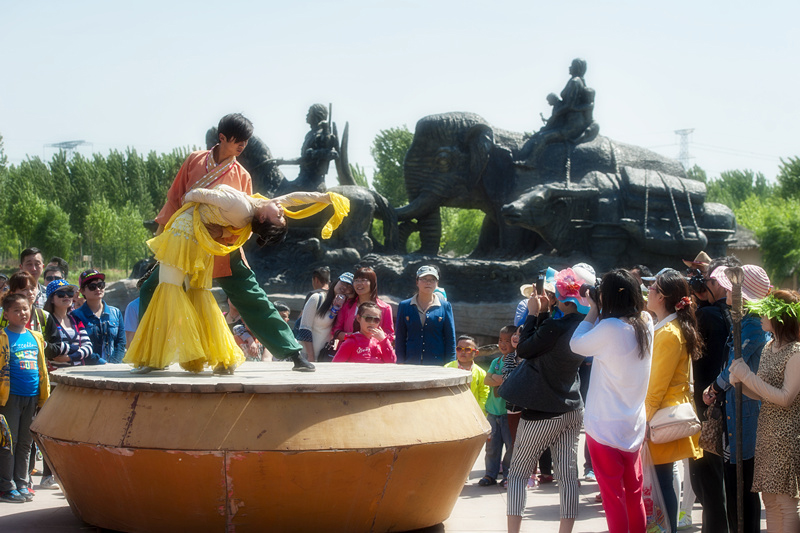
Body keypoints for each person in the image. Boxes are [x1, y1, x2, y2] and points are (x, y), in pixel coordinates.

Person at [138, 113, 334, 373]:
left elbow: (250, 221)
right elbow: (174, 200)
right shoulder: (194, 160)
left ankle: (293, 352)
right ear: (222, 138)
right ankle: (151, 356)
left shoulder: (242, 175)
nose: (243, 146)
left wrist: (221, 233)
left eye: (246, 141)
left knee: (251, 296)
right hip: (185, 240)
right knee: (151, 289)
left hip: (222, 247)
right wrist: (162, 241)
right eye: (237, 140)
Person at [127, 177, 346, 374]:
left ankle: (291, 352)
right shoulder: (202, 164)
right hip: (191, 241)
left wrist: (208, 220)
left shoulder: (243, 185)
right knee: (163, 291)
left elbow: (238, 217)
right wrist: (325, 198)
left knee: (233, 296)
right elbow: (293, 199)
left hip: (209, 245)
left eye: (280, 215)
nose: (281, 210)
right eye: (281, 215)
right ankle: (160, 355)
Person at [506, 267, 591, 533]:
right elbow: (544, 341)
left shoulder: (555, 326)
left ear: (562, 298)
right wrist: (544, 313)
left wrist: (533, 313)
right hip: (572, 406)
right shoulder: (584, 325)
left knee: (518, 474)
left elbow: (524, 349)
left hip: (542, 409)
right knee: (568, 477)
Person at [570, 269, 654, 533]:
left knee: (613, 497)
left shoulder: (608, 328)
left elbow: (576, 344)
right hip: (633, 426)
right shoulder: (646, 322)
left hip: (604, 428)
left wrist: (593, 310)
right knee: (633, 493)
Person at [703, 264, 771, 533]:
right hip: (735, 413)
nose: (726, 291)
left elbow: (734, 367)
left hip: (747, 416)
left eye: (731, 288)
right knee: (734, 487)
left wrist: (713, 388)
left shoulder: (752, 325)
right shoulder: (741, 322)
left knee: (743, 491)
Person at [730, 289, 800, 533]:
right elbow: (762, 393)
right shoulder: (770, 347)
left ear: (779, 317)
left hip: (787, 435)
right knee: (769, 501)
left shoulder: (796, 352)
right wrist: (741, 383)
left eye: (766, 311)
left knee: (786, 503)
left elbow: (785, 398)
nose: (760, 315)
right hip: (767, 432)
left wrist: (748, 376)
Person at [645, 268, 704, 533]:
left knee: (663, 480)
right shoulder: (667, 327)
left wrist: (644, 419)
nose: (648, 291)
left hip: (661, 416)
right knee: (663, 479)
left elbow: (657, 385)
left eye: (652, 288)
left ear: (663, 297)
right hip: (663, 412)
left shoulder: (669, 332)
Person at [687, 256, 739, 533]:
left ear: (719, 282)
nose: (703, 283)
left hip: (706, 404)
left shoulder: (706, 316)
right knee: (726, 479)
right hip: (729, 403)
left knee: (706, 480)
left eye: (707, 279)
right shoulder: (736, 314)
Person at [0, 293, 50, 503]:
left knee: (26, 444)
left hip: (32, 397)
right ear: (6, 314)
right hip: (9, 398)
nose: (22, 313)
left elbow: (42, 368)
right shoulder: (2, 337)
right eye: (16, 310)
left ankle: (21, 482)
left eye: (25, 309)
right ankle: (6, 486)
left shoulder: (35, 336)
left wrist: (43, 397)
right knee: (8, 443)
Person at [395, 265, 456, 365]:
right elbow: (400, 337)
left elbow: (450, 338)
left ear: (437, 283)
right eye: (424, 279)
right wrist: (400, 361)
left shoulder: (445, 306)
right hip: (411, 362)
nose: (428, 283)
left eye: (432, 280)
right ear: (417, 282)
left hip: (436, 363)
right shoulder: (405, 305)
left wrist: (451, 363)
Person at [480, 325, 516, 488]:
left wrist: (496, 378)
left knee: (510, 446)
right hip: (493, 412)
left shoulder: (517, 362)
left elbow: (510, 381)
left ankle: (508, 475)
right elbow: (486, 380)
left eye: (507, 341)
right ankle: (490, 474)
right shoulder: (496, 361)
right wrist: (499, 378)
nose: (502, 344)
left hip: (508, 413)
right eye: (500, 340)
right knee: (491, 446)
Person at [275, 104, 339, 193]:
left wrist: (314, 154)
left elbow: (333, 154)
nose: (306, 115)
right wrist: (283, 161)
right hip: (302, 179)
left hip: (311, 183)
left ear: (317, 116)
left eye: (309, 113)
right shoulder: (310, 134)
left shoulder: (321, 135)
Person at [297, 272, 355, 362]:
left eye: (349, 287)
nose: (344, 288)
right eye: (343, 283)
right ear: (336, 282)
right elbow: (304, 329)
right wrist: (311, 356)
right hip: (307, 355)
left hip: (324, 355)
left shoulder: (342, 305)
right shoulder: (317, 298)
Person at [71, 269, 126, 364]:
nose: (98, 289)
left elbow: (121, 343)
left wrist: (113, 364)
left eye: (101, 285)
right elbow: (78, 346)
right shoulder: (75, 316)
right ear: (82, 291)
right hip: (88, 368)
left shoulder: (116, 313)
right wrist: (101, 363)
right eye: (92, 287)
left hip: (114, 367)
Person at [43, 279, 101, 367]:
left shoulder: (76, 320)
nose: (66, 296)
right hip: (54, 371)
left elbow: (88, 347)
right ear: (51, 299)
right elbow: (49, 346)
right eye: (61, 294)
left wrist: (69, 357)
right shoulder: (46, 320)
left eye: (70, 293)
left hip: (77, 371)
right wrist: (77, 348)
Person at [332, 267, 393, 344]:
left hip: (372, 350)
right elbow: (336, 330)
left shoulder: (385, 308)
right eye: (356, 280)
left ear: (372, 283)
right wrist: (351, 337)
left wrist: (377, 338)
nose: (359, 283)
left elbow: (390, 335)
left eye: (363, 280)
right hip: (347, 349)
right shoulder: (347, 305)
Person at [332, 302, 396, 364]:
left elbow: (392, 362)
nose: (372, 323)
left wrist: (384, 341)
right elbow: (335, 365)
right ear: (358, 318)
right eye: (368, 318)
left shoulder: (381, 342)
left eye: (376, 320)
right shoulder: (352, 341)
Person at [445, 335, 488, 414]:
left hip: (472, 410)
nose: (463, 352)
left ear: (476, 353)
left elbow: (484, 394)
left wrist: (480, 411)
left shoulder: (481, 373)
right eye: (459, 349)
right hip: (451, 409)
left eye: (468, 349)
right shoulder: (447, 368)